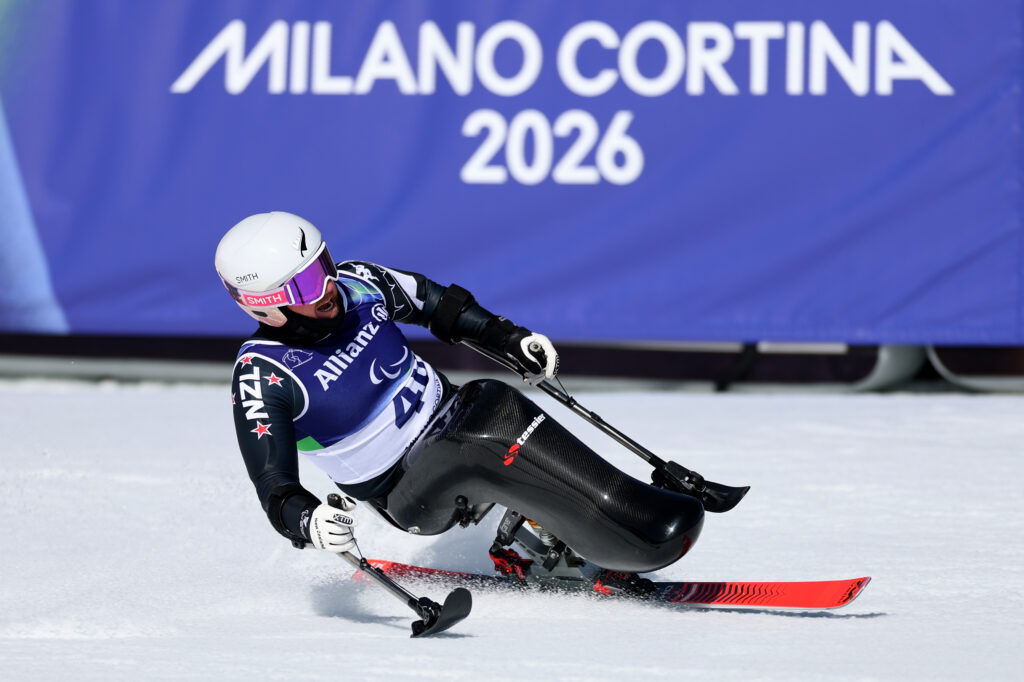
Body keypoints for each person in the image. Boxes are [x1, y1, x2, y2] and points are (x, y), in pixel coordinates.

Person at [216, 211, 704, 589]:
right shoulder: (264, 375)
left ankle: (573, 523)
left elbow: (440, 305)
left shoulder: (359, 283)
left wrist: (509, 339)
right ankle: (631, 535)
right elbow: (274, 485)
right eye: (304, 284)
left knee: (483, 411)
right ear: (266, 304)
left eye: (322, 265)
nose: (326, 287)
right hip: (406, 493)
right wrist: (307, 519)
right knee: (486, 418)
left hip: (456, 418)